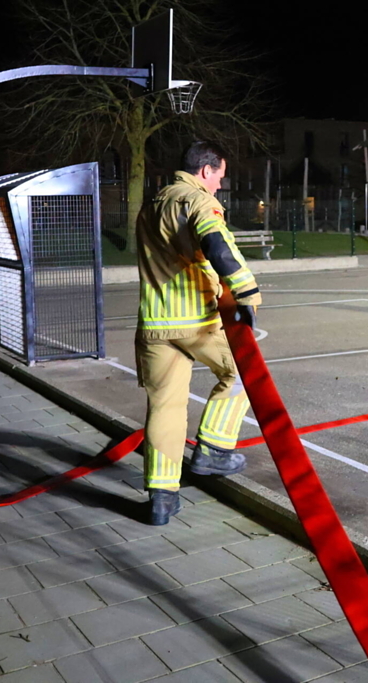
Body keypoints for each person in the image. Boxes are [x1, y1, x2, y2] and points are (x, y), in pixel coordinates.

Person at [135, 141, 261, 525]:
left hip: (154, 324)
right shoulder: (197, 200)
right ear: (206, 171)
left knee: (164, 408)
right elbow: (218, 245)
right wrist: (247, 292)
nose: (220, 184)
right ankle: (213, 449)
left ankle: (161, 499)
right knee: (244, 373)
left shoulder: (152, 203)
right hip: (195, 320)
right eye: (220, 176)